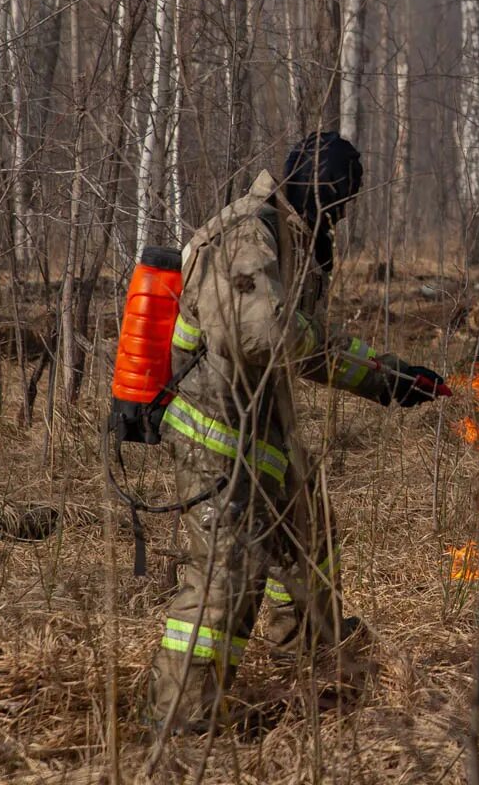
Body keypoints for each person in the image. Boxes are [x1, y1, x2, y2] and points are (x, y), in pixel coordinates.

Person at [146, 131, 448, 733]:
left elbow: (299, 344)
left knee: (308, 545)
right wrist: (312, 335)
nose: (341, 214)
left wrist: (388, 379)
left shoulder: (293, 238)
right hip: (216, 437)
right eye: (338, 200)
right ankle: (179, 724)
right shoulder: (249, 234)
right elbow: (259, 335)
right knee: (222, 585)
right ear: (316, 188)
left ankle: (322, 668)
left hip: (264, 439)